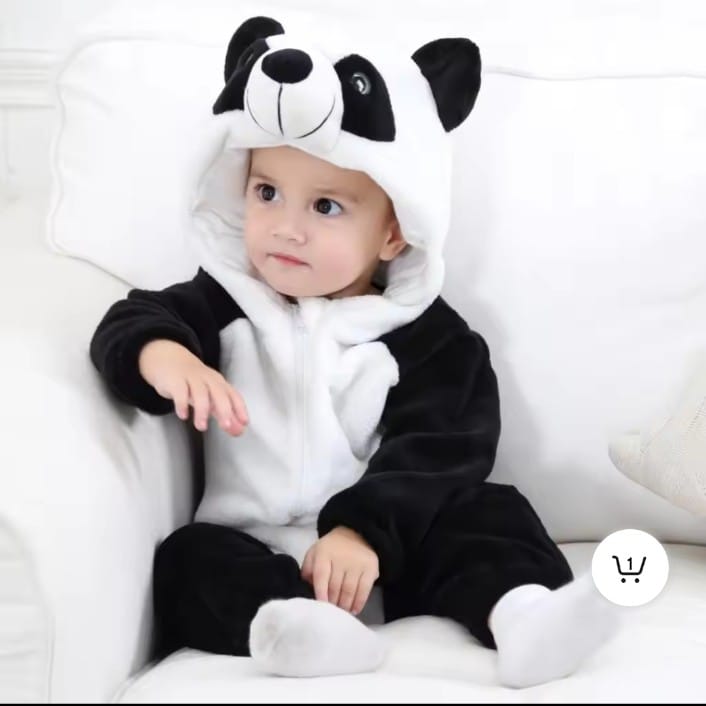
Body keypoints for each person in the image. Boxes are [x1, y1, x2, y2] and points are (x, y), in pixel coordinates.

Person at [89, 15, 621, 688]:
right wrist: (162, 355)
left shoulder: (427, 335)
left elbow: (443, 446)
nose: (287, 228)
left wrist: (362, 530)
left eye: (326, 208)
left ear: (394, 233)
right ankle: (303, 631)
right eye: (267, 193)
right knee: (186, 562)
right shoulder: (225, 302)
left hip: (391, 550)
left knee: (492, 513)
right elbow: (132, 318)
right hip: (257, 546)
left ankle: (523, 616)